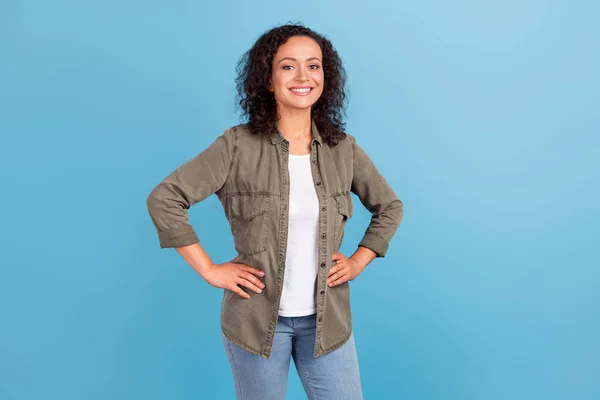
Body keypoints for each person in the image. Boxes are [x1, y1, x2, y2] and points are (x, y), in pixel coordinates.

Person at [146, 23, 403, 400]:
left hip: (326, 321)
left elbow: (389, 207)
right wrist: (209, 269)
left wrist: (359, 261)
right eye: (288, 66)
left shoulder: (343, 149)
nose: (303, 77)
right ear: (267, 79)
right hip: (255, 323)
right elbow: (165, 198)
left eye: (313, 66)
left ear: (325, 78)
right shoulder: (237, 146)